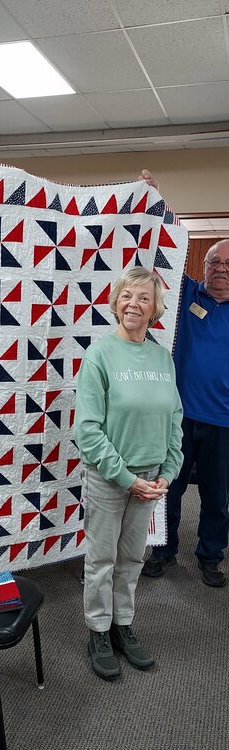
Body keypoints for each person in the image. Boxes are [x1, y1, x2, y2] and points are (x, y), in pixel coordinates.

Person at [74, 267, 183, 681]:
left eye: (143, 297)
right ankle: (98, 631)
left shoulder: (161, 357)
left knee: (132, 557)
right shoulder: (100, 354)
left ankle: (123, 625)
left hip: (151, 479)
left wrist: (167, 473)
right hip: (109, 479)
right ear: (116, 302)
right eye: (126, 296)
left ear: (155, 309)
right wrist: (125, 478)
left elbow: (174, 417)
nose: (133, 304)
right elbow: (87, 429)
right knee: (101, 558)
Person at [140, 170, 229, 588]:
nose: (220, 270)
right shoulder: (186, 296)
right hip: (177, 419)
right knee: (168, 489)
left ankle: (210, 555)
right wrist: (154, 201)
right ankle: (163, 549)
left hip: (224, 424)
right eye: (213, 262)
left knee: (217, 497)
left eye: (227, 264)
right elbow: (159, 257)